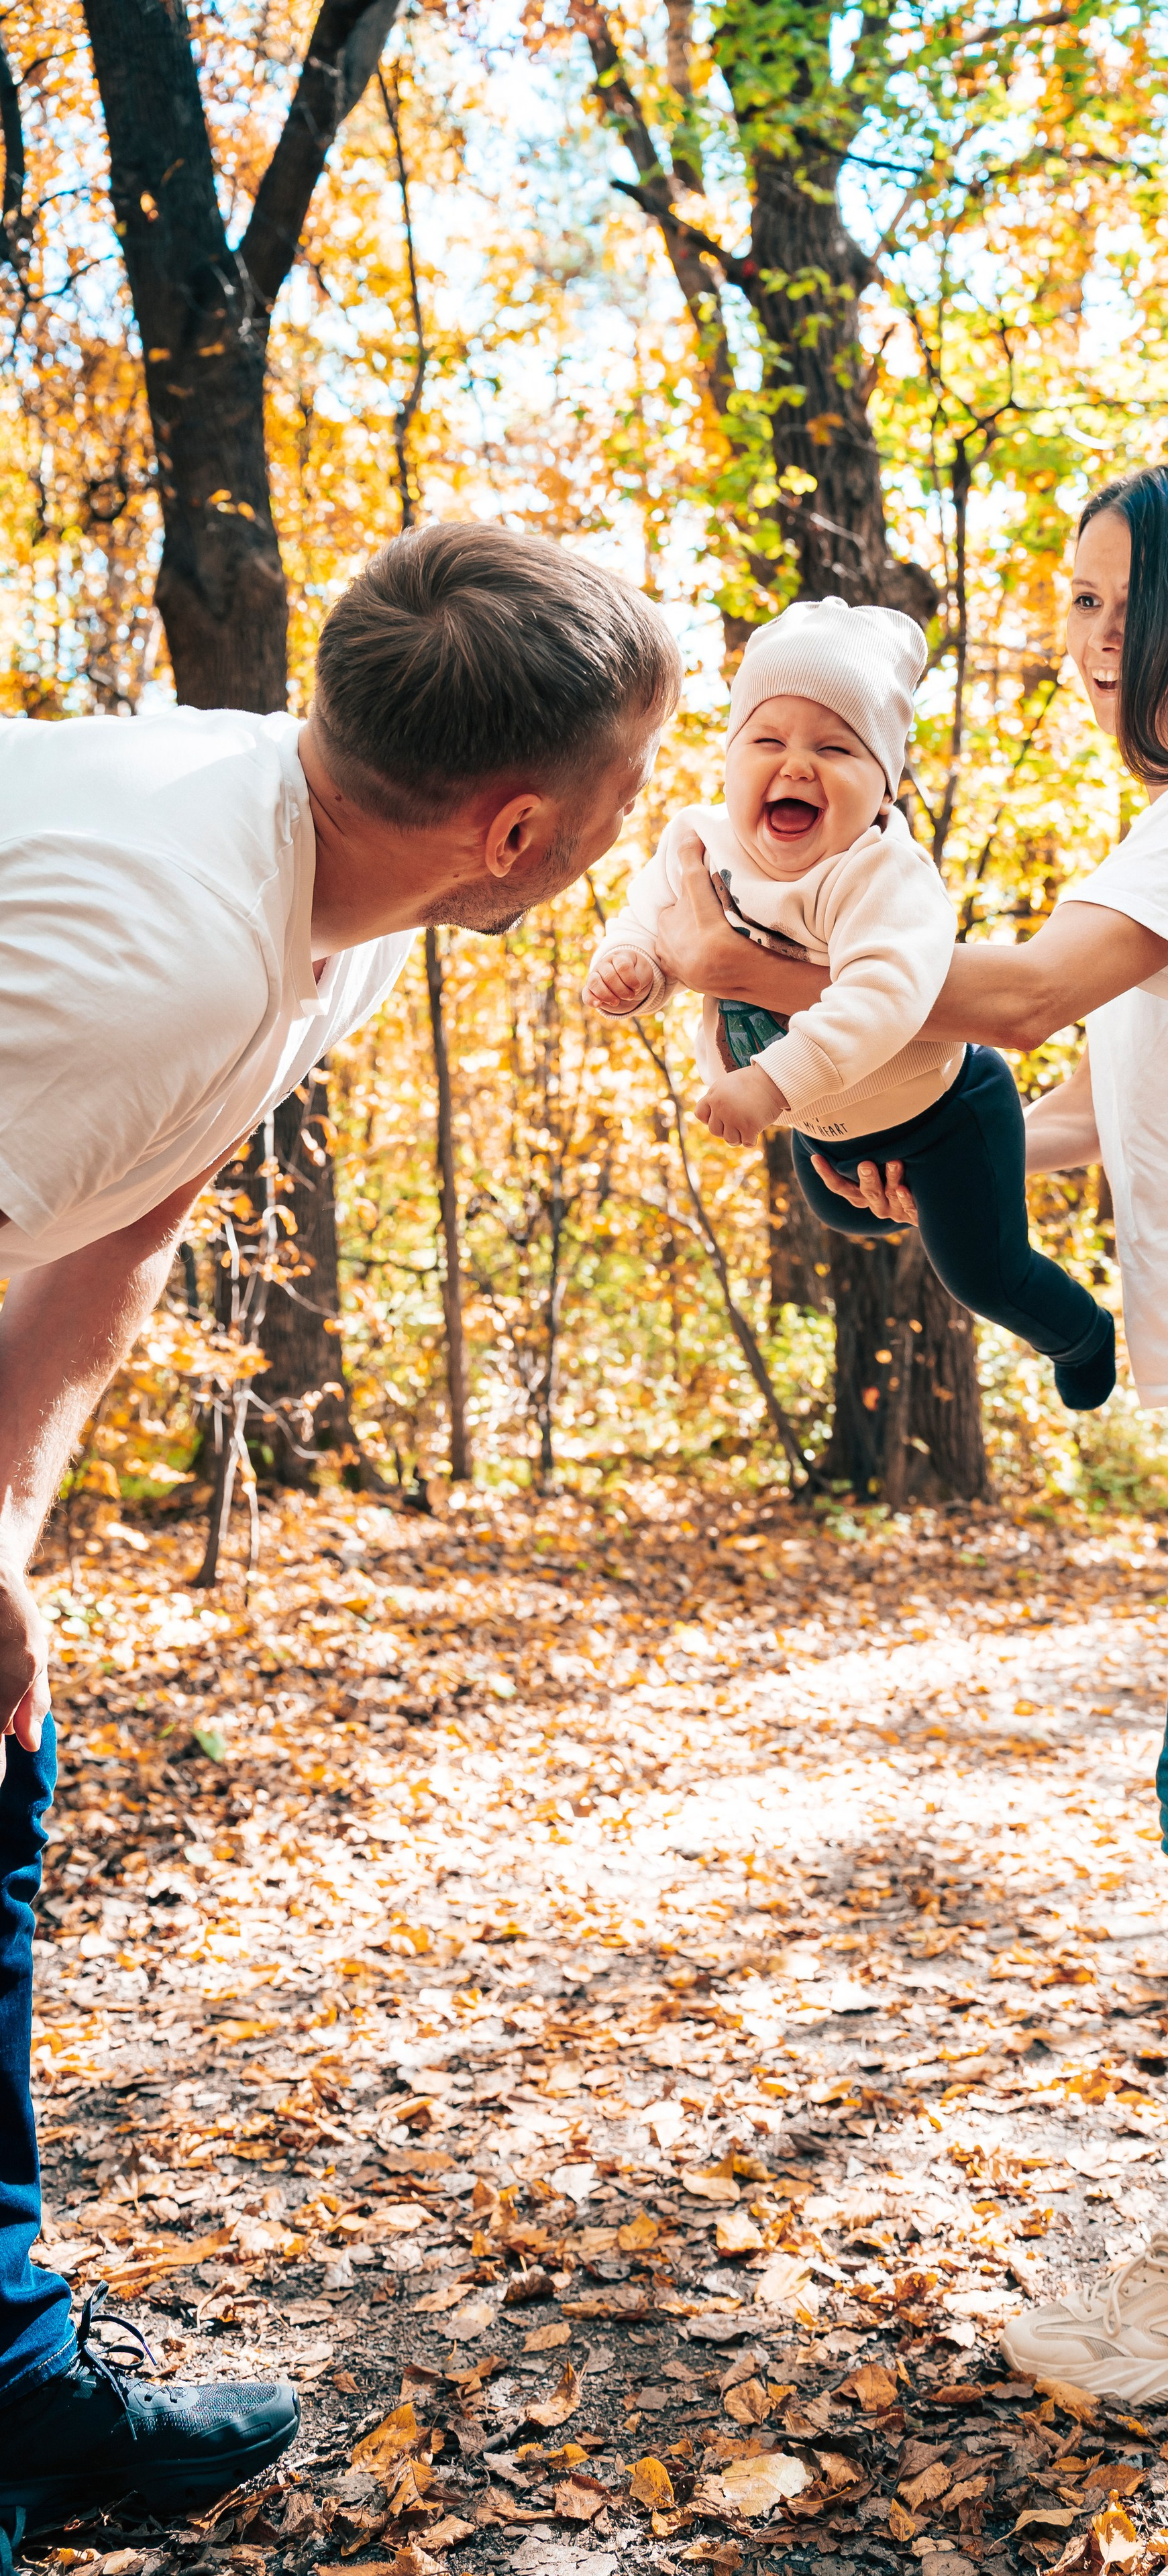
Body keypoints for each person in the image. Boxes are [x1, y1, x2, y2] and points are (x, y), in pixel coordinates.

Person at [641, 463, 1168, 2403]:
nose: (1088, 642)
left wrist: (750, 981)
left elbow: (1011, 994)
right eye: (1075, 606)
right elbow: (1139, 1093)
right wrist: (970, 1177)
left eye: (1121, 606)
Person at [0, 523, 678, 2530]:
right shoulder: (158, 946)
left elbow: (119, 1230)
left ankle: (17, 2386)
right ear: (517, 829)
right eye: (632, 784)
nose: (642, 817)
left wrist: (3, 1535)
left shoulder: (328, 884)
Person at [583, 598, 1116, 1407]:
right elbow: (653, 924)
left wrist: (764, 1085)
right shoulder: (698, 841)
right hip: (821, 1120)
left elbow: (881, 998)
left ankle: (1080, 1333)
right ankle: (913, 1200)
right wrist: (631, 968)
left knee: (981, 1275)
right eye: (766, 740)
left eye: (834, 748)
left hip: (943, 1113)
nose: (795, 765)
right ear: (728, 760)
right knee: (851, 1217)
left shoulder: (879, 875)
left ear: (883, 788)